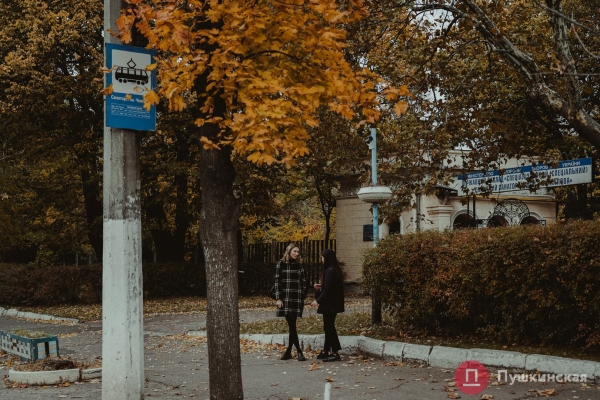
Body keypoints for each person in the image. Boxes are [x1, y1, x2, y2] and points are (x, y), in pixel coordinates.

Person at [274, 243, 308, 361]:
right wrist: (278, 298)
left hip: (297, 297)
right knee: (292, 325)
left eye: (298, 252)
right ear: (289, 251)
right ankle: (299, 351)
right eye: (294, 251)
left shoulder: (300, 265)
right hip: (285, 298)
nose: (296, 254)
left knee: (292, 324)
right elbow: (277, 281)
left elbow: (304, 281)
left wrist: (303, 295)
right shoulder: (281, 264)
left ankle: (288, 351)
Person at [311, 248, 345, 362]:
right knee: (328, 326)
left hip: (330, 303)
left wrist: (318, 301)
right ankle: (325, 350)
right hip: (334, 302)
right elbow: (331, 286)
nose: (321, 259)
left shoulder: (329, 271)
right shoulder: (335, 269)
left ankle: (335, 352)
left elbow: (328, 290)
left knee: (329, 327)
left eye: (322, 257)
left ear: (326, 258)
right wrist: (321, 286)